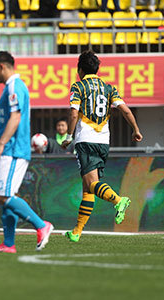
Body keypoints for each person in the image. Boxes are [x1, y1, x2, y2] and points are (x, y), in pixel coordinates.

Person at [62, 51, 143, 243]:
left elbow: (74, 115)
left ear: (79, 69)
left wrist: (68, 136)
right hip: (103, 141)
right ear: (97, 69)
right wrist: (136, 129)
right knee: (88, 189)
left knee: (91, 184)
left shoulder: (78, 86)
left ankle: (118, 200)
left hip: (86, 140)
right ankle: (77, 231)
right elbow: (125, 110)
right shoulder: (109, 88)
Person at [0, 51, 53, 254]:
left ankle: (41, 225)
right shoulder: (12, 88)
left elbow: (15, 117)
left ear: (1, 67)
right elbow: (7, 115)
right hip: (14, 148)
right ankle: (9, 244)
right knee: (7, 196)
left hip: (13, 149)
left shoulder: (14, 85)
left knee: (2, 196)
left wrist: (0, 144)